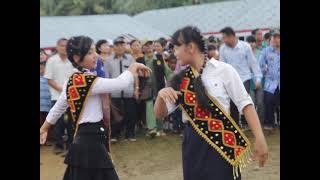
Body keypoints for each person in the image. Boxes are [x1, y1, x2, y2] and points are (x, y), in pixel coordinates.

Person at [154, 26, 268, 180]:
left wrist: (260, 138)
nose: (174, 52)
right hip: (193, 144)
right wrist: (161, 96)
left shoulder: (224, 70)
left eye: (176, 47)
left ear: (191, 47)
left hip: (222, 143)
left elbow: (245, 105)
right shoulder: (180, 80)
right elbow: (160, 114)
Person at [40, 35, 152, 180]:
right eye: (90, 52)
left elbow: (58, 108)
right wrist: (134, 65)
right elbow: (120, 83)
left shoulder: (73, 80)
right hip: (91, 142)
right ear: (76, 58)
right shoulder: (87, 81)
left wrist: (44, 128)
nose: (96, 56)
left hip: (84, 140)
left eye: (94, 51)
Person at [219, 27, 263, 130]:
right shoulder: (223, 49)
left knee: (244, 103)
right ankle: (236, 127)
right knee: (232, 104)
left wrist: (258, 79)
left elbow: (253, 64)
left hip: (244, 78)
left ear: (232, 36)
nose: (224, 40)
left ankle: (252, 125)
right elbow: (222, 66)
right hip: (229, 80)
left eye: (225, 37)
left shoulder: (245, 47)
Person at [44, 38, 75, 154]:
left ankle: (71, 145)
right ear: (57, 47)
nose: (64, 48)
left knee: (71, 122)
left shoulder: (73, 60)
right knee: (58, 123)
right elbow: (49, 80)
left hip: (72, 97)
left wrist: (68, 91)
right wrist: (63, 90)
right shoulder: (52, 60)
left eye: (66, 46)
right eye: (61, 46)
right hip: (57, 97)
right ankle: (58, 145)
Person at [105, 36, 138, 142]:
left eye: (122, 45)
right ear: (114, 47)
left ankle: (130, 134)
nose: (119, 47)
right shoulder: (109, 60)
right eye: (117, 45)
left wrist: (136, 88)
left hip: (129, 91)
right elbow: (107, 76)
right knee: (115, 114)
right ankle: (114, 135)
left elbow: (135, 74)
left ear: (125, 46)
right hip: (115, 92)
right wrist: (108, 91)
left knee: (130, 113)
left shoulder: (130, 58)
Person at [143, 39, 173, 137]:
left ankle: (160, 128)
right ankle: (152, 128)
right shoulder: (141, 60)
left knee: (160, 105)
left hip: (159, 86)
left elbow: (167, 72)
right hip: (147, 87)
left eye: (150, 45)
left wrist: (172, 82)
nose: (148, 47)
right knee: (149, 105)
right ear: (143, 48)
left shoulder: (159, 58)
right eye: (145, 45)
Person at [259, 30, 280, 130]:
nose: (277, 40)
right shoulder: (266, 51)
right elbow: (260, 64)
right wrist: (264, 71)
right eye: (275, 37)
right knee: (269, 102)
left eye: (278, 37)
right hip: (270, 82)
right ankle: (269, 124)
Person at [246, 35, 265, 125]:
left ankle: (261, 122)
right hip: (249, 82)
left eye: (253, 42)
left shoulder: (261, 53)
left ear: (255, 43)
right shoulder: (244, 55)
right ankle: (253, 123)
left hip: (260, 82)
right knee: (252, 103)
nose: (251, 44)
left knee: (260, 103)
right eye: (249, 42)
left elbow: (263, 67)